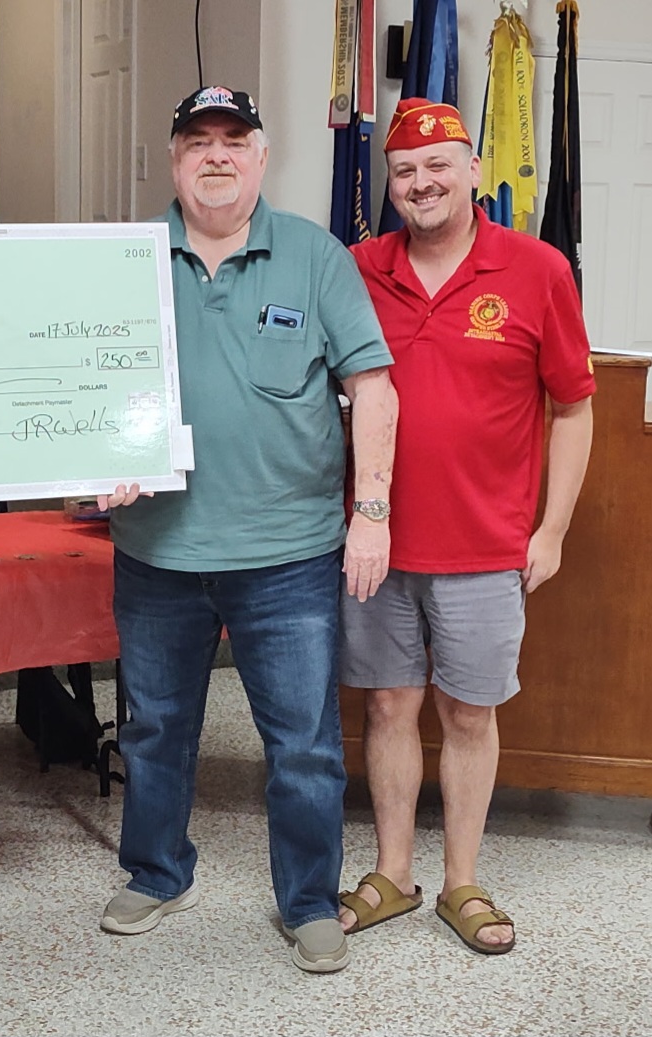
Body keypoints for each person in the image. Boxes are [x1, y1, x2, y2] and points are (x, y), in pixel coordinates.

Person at [97, 86, 398, 973]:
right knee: (153, 727)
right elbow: (74, 389)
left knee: (302, 741)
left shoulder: (314, 256)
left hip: (290, 556)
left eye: (235, 140)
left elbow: (373, 387)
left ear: (261, 158)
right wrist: (89, 460)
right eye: (198, 141)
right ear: (173, 159)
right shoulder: (122, 258)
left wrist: (369, 512)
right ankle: (156, 871)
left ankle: (308, 899)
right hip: (157, 551)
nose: (216, 156)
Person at [338, 99, 595, 955]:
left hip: (486, 546)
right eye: (403, 171)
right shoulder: (358, 269)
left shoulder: (536, 269)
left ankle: (461, 882)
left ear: (474, 171)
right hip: (374, 542)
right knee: (385, 706)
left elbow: (572, 407)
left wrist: (550, 529)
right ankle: (392, 872)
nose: (420, 182)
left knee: (469, 713)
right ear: (390, 184)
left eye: (438, 165)